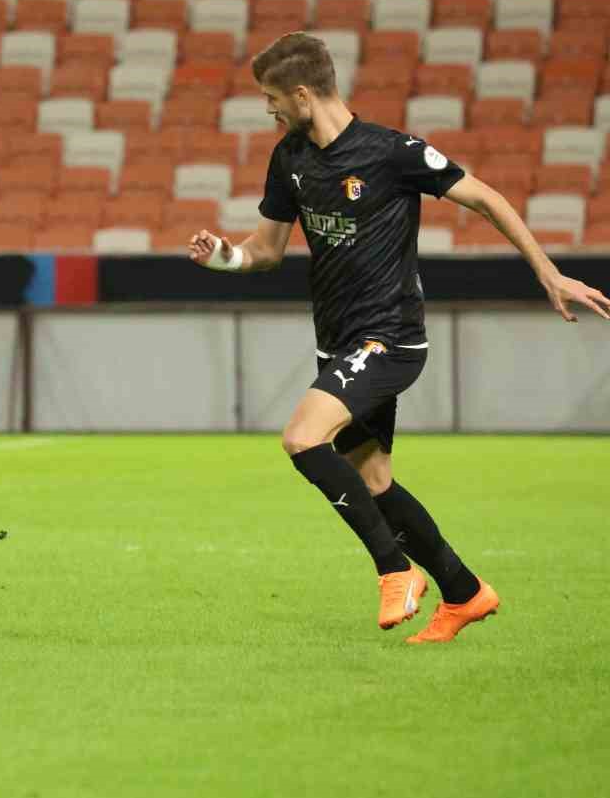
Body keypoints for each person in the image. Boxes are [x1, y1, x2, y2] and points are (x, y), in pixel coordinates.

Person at [188, 32, 610, 643]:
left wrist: (548, 272)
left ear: (303, 93)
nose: (269, 110)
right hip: (338, 342)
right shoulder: (291, 158)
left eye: (272, 98)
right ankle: (464, 594)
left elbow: (485, 197)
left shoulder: (392, 152)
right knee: (373, 479)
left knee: (303, 438)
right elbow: (267, 250)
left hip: (389, 338)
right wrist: (224, 257)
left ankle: (395, 569)